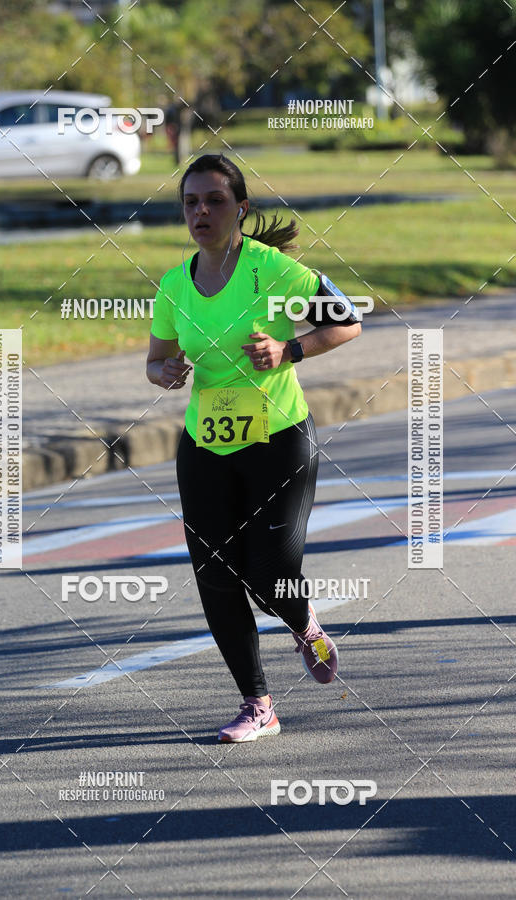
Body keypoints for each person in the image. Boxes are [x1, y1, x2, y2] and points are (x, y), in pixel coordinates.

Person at [146, 153, 361, 743]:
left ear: (239, 208)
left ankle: (303, 621)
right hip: (206, 446)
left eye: (214, 201)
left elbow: (347, 321)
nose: (201, 213)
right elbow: (155, 360)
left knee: (271, 571)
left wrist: (290, 351)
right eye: (191, 202)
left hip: (278, 439)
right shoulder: (173, 284)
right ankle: (257, 704)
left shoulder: (273, 270)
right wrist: (165, 373)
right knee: (215, 574)